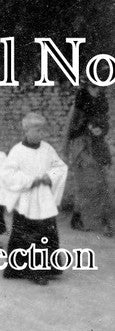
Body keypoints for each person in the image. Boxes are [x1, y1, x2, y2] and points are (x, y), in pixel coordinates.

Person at [0, 112, 67, 286]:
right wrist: (30, 180)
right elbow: (8, 174)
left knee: (45, 234)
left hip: (43, 199)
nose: (40, 134)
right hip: (27, 199)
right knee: (26, 235)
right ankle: (27, 270)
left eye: (42, 130)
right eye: (36, 130)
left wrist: (48, 177)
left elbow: (60, 167)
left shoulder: (47, 149)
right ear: (26, 131)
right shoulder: (17, 151)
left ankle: (46, 268)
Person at [65, 81, 112, 237]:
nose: (97, 90)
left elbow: (105, 123)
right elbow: (70, 127)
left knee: (100, 183)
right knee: (87, 183)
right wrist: (65, 150)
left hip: (97, 146)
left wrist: (100, 129)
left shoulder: (101, 100)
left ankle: (86, 218)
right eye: (94, 87)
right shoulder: (80, 101)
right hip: (81, 147)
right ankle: (92, 220)